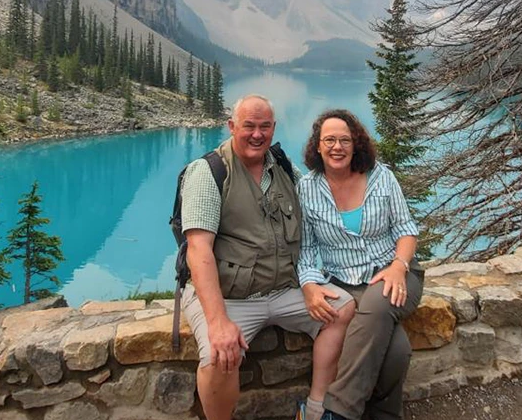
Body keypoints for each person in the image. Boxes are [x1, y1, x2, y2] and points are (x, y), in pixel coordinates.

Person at [180, 95, 355, 420]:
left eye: (264, 127)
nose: (257, 135)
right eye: (248, 126)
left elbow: (319, 210)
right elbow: (198, 250)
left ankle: (316, 410)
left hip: (284, 289)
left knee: (342, 308)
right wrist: (218, 323)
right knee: (220, 357)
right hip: (230, 297)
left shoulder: (284, 167)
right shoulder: (209, 172)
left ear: (273, 129)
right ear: (232, 126)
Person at [297, 109, 425, 420]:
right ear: (317, 146)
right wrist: (309, 285)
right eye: (329, 140)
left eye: (344, 140)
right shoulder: (307, 188)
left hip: (394, 272)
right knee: (396, 352)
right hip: (340, 280)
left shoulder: (382, 177)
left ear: (356, 144)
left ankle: (338, 412)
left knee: (379, 305)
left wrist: (398, 266)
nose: (337, 147)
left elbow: (406, 229)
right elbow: (305, 247)